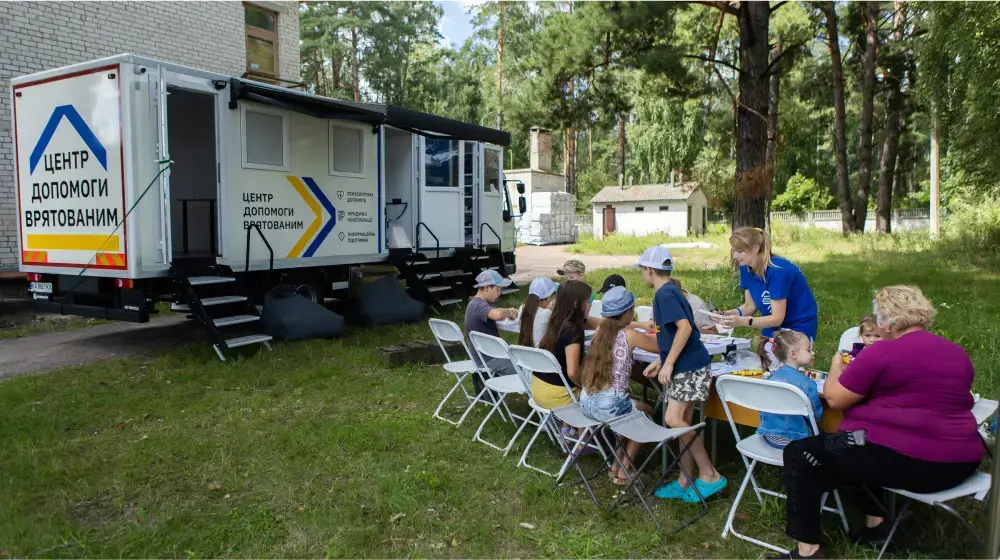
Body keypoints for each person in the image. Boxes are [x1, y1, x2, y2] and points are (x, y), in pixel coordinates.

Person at [775, 286, 982, 559]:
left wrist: (837, 363)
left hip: (915, 465)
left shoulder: (882, 352)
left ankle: (808, 552)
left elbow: (835, 399)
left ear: (885, 322)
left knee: (801, 453)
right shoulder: (957, 353)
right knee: (858, 443)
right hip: (963, 461)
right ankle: (876, 526)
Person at [634, 246, 727, 502]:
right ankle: (685, 479)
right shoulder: (672, 290)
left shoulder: (664, 294)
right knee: (683, 419)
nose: (642, 275)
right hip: (690, 363)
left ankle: (709, 474)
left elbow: (685, 329)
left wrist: (669, 364)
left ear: (650, 270)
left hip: (688, 366)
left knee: (674, 419)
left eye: (642, 270)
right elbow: (673, 335)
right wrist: (661, 360)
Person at [580, 286, 659, 485]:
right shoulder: (629, 335)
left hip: (587, 400)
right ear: (627, 313)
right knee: (646, 412)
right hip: (609, 404)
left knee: (629, 410)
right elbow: (660, 346)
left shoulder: (600, 331)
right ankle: (625, 468)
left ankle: (616, 464)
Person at [717, 227, 818, 342]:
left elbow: (777, 318)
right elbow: (749, 306)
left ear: (755, 249)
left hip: (798, 325)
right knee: (765, 358)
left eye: (740, 251)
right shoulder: (745, 267)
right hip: (772, 325)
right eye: (733, 251)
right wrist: (726, 315)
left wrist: (743, 321)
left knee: (786, 358)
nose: (735, 256)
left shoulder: (778, 272)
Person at [755, 330, 822, 449]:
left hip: (770, 437)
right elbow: (816, 416)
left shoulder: (770, 380)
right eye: (808, 350)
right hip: (796, 441)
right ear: (793, 355)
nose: (813, 352)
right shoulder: (807, 384)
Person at [533, 280, 592, 409]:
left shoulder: (555, 319)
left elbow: (593, 322)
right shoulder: (573, 330)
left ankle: (568, 427)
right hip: (559, 396)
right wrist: (586, 387)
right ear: (577, 304)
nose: (590, 305)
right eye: (588, 301)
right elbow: (572, 372)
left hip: (537, 390)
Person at [465, 270, 519, 394]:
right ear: (487, 288)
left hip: (485, 356)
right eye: (498, 289)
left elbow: (496, 312)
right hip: (488, 359)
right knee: (528, 368)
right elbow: (498, 314)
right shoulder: (478, 305)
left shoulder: (477, 304)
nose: (499, 294)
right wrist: (511, 312)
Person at [518, 277, 558, 347]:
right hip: (543, 355)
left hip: (525, 354)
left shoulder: (522, 308)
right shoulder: (546, 313)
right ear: (548, 297)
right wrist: (551, 311)